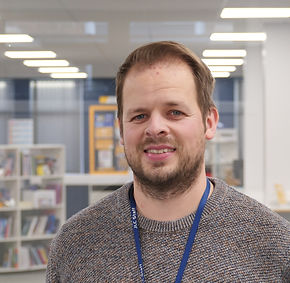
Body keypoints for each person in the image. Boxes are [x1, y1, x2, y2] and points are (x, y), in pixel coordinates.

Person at [46, 41, 290, 282]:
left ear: (209, 122)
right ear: (121, 130)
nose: (155, 128)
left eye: (175, 112)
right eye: (139, 116)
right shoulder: (74, 243)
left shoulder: (275, 243)